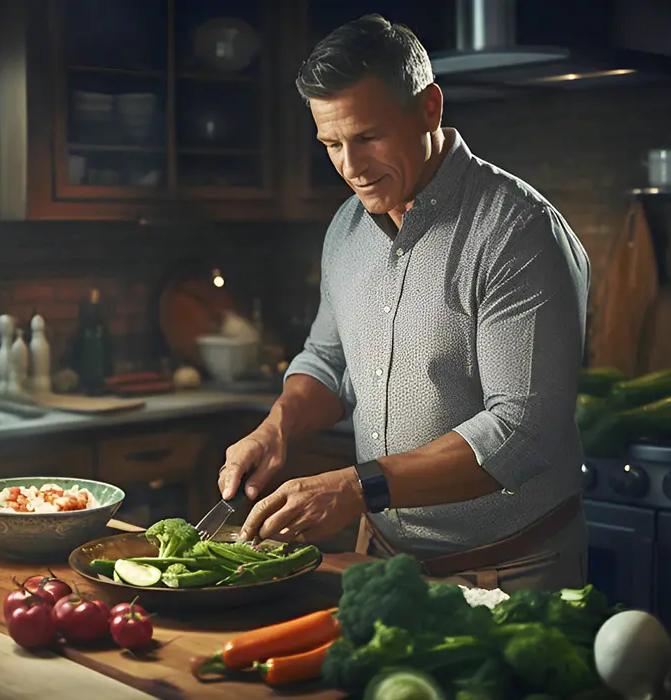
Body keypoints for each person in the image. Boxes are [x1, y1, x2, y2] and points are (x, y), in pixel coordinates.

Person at [217, 14, 591, 593]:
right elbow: (328, 361)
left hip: (510, 570)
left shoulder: (518, 230)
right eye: (331, 144)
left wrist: (356, 487)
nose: (350, 167)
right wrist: (278, 429)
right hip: (383, 562)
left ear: (430, 109)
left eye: (367, 137)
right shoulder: (345, 228)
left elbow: (522, 430)